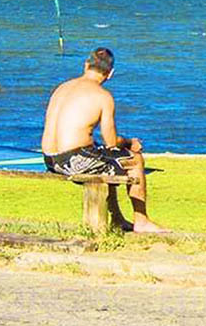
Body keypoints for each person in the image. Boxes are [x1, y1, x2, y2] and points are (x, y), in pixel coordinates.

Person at [41, 47, 166, 233]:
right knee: (134, 160)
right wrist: (130, 142)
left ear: (86, 65)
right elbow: (112, 142)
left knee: (107, 157)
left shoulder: (63, 87)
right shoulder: (103, 96)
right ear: (110, 73)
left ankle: (117, 219)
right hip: (73, 161)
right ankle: (141, 220)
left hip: (50, 158)